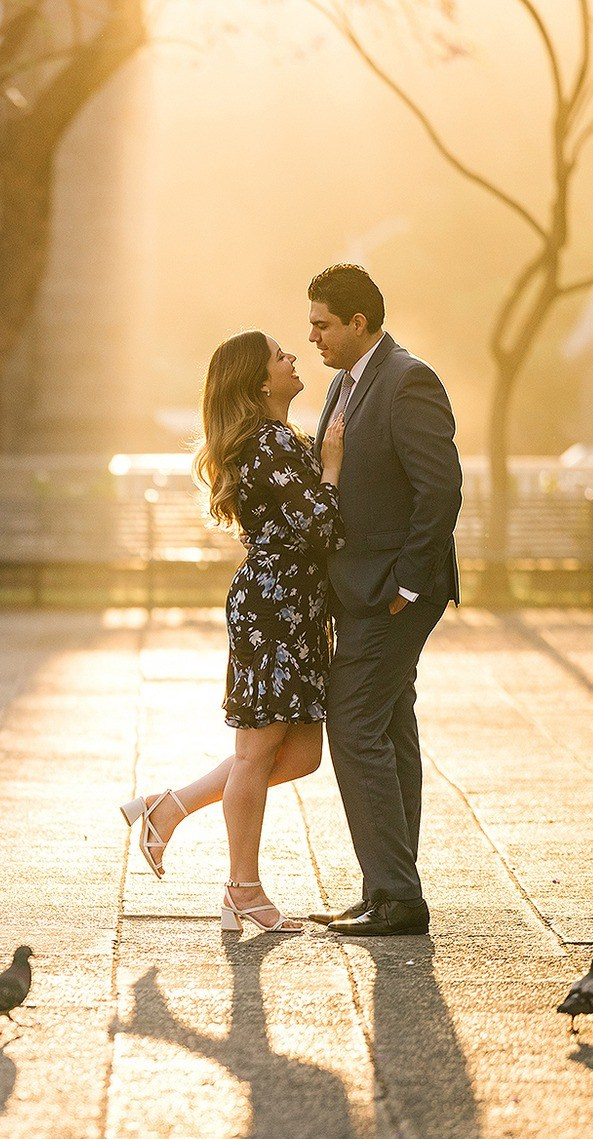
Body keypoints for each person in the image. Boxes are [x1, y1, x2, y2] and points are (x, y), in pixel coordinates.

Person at [120, 331, 344, 932]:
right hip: (274, 608)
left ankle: (171, 807)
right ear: (260, 382)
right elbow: (319, 526)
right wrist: (333, 468)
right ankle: (242, 888)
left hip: (295, 609)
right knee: (257, 753)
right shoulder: (269, 443)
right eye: (279, 355)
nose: (293, 357)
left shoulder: (277, 438)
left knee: (301, 755)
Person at [304, 264, 462, 937]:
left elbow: (441, 489)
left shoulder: (408, 380)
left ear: (358, 322)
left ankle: (397, 895)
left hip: (397, 591)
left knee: (353, 722)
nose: (312, 337)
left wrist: (407, 584)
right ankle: (388, 887)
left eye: (322, 324)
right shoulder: (344, 383)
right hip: (360, 588)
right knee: (390, 726)